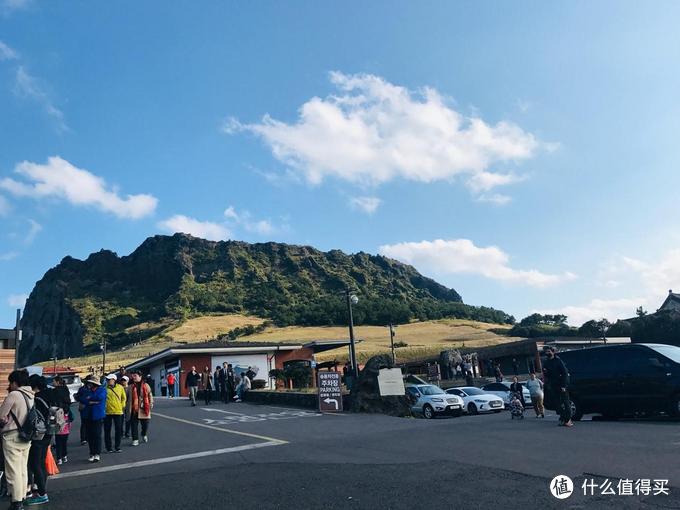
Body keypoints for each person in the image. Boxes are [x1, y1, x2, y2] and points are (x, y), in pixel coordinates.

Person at [0, 370, 34, 510]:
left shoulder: (14, 395)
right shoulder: (31, 395)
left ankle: (16, 502)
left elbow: (1, 415)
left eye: (10, 382)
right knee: (22, 469)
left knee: (12, 471)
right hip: (26, 436)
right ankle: (22, 497)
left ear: (15, 382)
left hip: (12, 436)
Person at [26, 375, 57, 506]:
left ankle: (42, 494)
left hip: (39, 434)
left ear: (35, 386)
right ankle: (41, 489)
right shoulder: (52, 394)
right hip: (50, 432)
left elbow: (33, 417)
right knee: (42, 461)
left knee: (34, 463)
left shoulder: (38, 399)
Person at [78, 374, 107, 462]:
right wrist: (91, 401)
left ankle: (97, 453)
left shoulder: (102, 390)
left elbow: (100, 398)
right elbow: (82, 399)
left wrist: (89, 399)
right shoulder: (87, 390)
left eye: (91, 383)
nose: (89, 384)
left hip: (97, 415)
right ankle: (92, 453)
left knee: (97, 435)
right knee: (90, 435)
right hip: (87, 415)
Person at [543, 347, 573, 427]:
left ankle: (568, 419)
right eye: (546, 352)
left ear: (553, 352)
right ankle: (562, 418)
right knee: (557, 403)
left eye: (549, 351)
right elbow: (546, 374)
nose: (547, 353)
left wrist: (563, 385)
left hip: (561, 385)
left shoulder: (558, 361)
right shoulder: (546, 362)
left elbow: (565, 373)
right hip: (553, 385)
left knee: (566, 402)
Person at [129, 371, 153, 445]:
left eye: (135, 375)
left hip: (143, 408)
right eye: (133, 376)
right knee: (134, 425)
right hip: (134, 408)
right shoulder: (130, 386)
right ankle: (135, 439)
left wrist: (151, 403)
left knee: (145, 424)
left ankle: (143, 433)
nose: (133, 377)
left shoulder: (146, 385)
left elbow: (150, 395)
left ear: (140, 376)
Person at [104, 374, 126, 453]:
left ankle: (117, 446)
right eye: (107, 379)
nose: (108, 381)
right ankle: (109, 447)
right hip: (107, 412)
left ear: (114, 380)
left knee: (118, 430)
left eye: (110, 379)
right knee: (107, 430)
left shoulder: (120, 387)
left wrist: (122, 405)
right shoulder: (104, 389)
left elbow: (124, 398)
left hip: (118, 411)